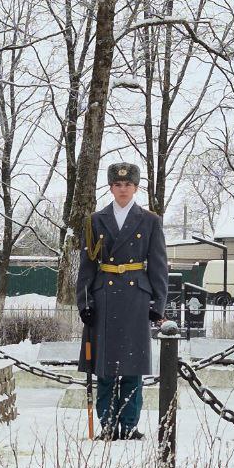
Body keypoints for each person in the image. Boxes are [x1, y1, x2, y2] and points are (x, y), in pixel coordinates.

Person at [76, 162, 169, 440]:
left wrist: (158, 304)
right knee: (104, 368)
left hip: (136, 299)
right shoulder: (95, 220)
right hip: (104, 298)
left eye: (128, 185)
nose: (123, 189)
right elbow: (87, 266)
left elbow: (158, 265)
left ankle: (128, 426)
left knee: (132, 368)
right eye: (117, 185)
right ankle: (107, 425)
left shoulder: (150, 221)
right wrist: (85, 303)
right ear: (110, 187)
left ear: (136, 187)